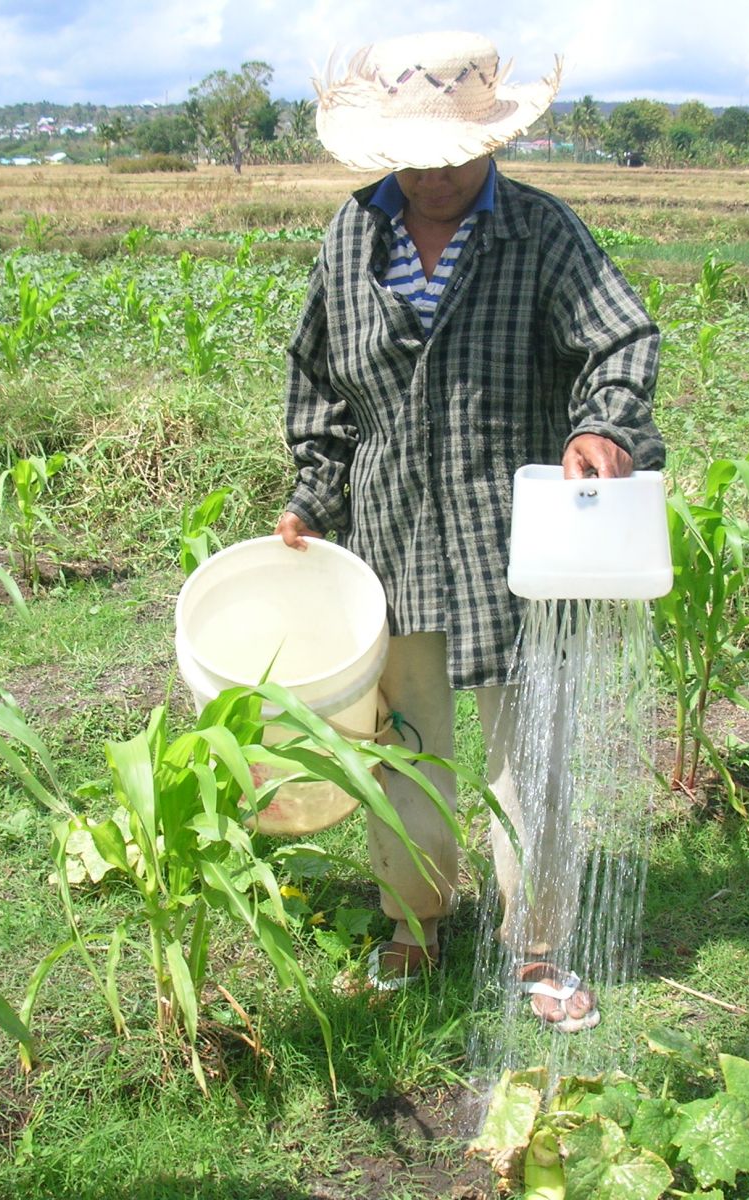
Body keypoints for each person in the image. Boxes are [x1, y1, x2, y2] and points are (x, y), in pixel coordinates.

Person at [276, 31, 663, 1030]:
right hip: (392, 537)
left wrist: (599, 425)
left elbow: (619, 337)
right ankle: (413, 925)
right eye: (417, 155)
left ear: (490, 140)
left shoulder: (539, 233)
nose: (438, 174)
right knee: (405, 751)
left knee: (524, 759)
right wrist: (314, 498)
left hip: (513, 544)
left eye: (455, 154)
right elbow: (317, 380)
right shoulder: (351, 237)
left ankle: (534, 950)